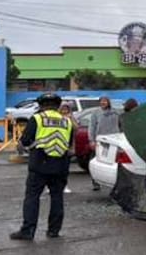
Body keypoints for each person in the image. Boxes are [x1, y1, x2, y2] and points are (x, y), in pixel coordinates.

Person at [10, 92, 74, 241]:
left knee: (32, 197)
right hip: (61, 164)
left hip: (40, 164)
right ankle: (54, 230)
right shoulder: (67, 121)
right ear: (57, 106)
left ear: (41, 105)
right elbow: (69, 143)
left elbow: (26, 140)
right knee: (57, 197)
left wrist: (23, 144)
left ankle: (28, 231)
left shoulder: (37, 118)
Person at [88, 96, 120, 191]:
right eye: (101, 101)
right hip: (100, 141)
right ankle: (96, 182)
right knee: (96, 161)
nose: (103, 103)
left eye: (105, 101)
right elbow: (92, 127)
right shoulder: (96, 113)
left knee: (113, 163)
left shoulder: (115, 112)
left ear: (108, 102)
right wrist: (91, 140)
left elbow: (120, 125)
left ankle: (114, 183)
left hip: (113, 141)